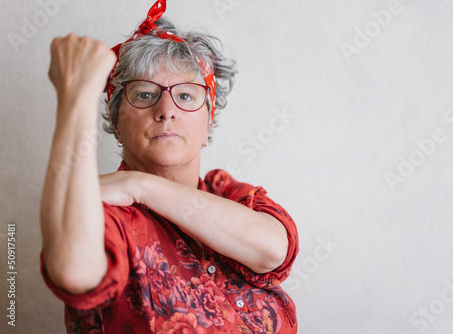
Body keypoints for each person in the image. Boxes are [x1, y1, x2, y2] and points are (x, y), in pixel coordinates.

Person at [39, 1, 298, 333]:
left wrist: (140, 186)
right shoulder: (105, 212)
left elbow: (275, 250)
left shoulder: (227, 193)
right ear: (116, 122)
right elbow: (72, 269)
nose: (166, 110)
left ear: (209, 123)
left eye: (187, 96)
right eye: (145, 95)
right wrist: (76, 95)